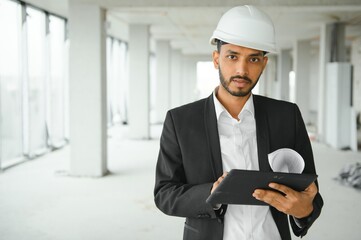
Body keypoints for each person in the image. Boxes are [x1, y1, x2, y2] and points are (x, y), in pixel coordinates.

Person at [154, 5, 323, 240]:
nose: (242, 70)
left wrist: (304, 211)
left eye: (253, 59)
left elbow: (310, 192)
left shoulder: (286, 116)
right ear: (216, 59)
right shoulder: (181, 121)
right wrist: (212, 194)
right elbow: (165, 193)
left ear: (263, 64)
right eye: (232, 56)